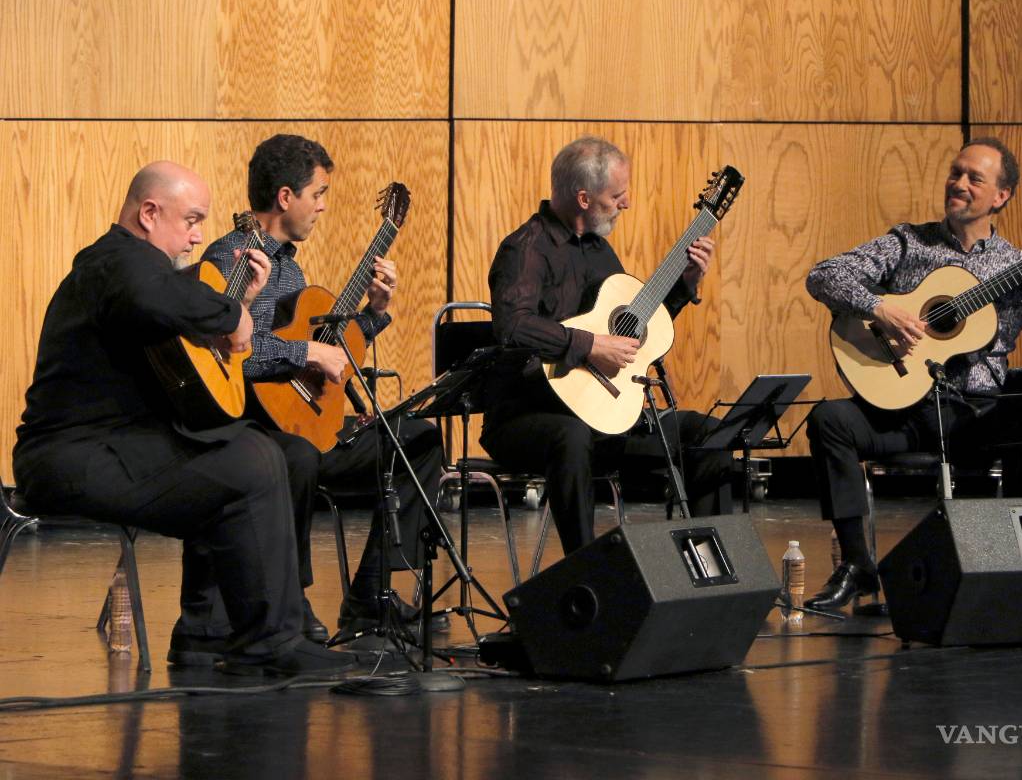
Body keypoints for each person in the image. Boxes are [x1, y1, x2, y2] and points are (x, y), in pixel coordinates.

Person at [13, 161, 356, 675]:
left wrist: (235, 303)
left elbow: (172, 330)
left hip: (125, 446)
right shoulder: (113, 262)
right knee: (249, 458)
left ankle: (215, 630)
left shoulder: (143, 272)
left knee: (278, 452)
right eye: (191, 220)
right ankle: (267, 641)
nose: (198, 236)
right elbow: (153, 295)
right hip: (73, 457)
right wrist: (233, 315)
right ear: (149, 213)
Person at [803, 137, 1022, 612]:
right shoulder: (908, 242)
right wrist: (880, 307)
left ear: (1001, 196)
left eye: (974, 178)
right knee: (829, 420)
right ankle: (858, 568)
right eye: (955, 173)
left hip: (979, 415)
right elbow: (824, 275)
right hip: (907, 407)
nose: (958, 184)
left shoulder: (1019, 268)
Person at [202, 134, 444, 641]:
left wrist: (374, 314)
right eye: (318, 193)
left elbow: (327, 344)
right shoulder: (234, 258)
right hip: (253, 428)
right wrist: (304, 353)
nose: (323, 206)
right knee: (296, 459)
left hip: (304, 422)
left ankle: (371, 595)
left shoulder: (289, 265)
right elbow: (228, 357)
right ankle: (288, 601)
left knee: (419, 438)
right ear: (285, 197)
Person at [482, 136, 734, 555]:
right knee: (571, 437)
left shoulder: (600, 252)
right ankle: (587, 574)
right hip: (527, 417)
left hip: (603, 416)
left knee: (706, 434)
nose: (627, 203)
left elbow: (633, 337)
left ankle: (712, 566)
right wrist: (587, 344)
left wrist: (684, 286)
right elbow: (512, 327)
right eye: (617, 195)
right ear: (583, 198)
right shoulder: (525, 250)